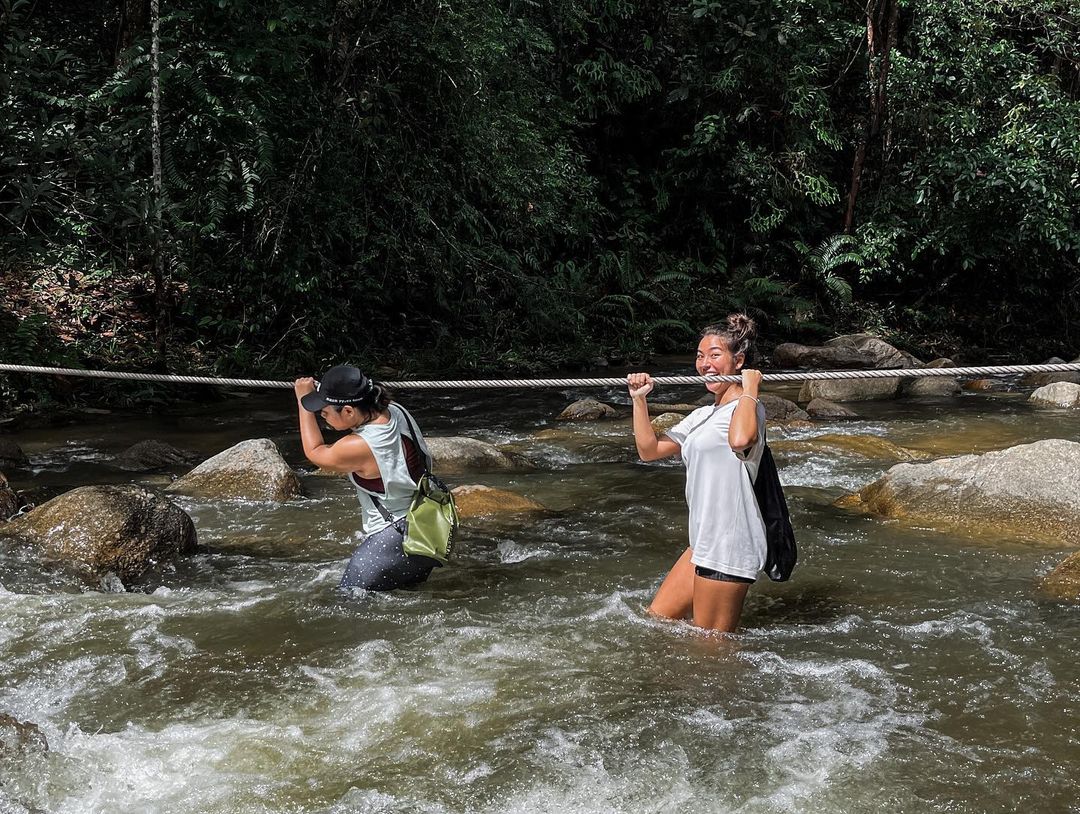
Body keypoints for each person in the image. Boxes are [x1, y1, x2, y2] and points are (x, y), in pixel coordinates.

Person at [628, 314, 767, 633]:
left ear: (739, 361)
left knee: (710, 649)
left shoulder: (750, 409)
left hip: (729, 544)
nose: (705, 363)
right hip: (703, 541)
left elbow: (741, 440)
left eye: (715, 355)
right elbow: (649, 451)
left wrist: (751, 388)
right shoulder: (703, 415)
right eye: (700, 356)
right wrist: (639, 401)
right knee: (658, 620)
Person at [294, 365, 441, 591]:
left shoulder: (359, 446)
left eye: (324, 413)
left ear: (349, 412)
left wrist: (303, 402)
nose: (323, 419)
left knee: (347, 606)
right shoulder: (395, 410)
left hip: (396, 538)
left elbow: (315, 451)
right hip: (428, 529)